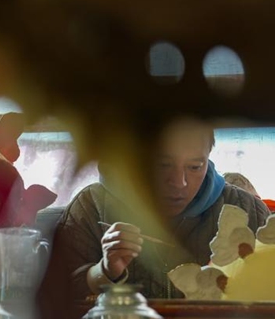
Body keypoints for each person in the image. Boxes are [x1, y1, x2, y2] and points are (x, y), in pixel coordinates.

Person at [48, 119, 270, 299]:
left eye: (195, 167)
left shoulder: (244, 209)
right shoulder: (92, 206)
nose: (179, 182)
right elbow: (54, 301)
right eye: (163, 164)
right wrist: (104, 271)